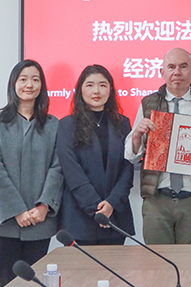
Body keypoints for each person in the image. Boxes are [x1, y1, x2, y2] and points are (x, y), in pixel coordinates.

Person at [0, 60, 63, 287]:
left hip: (39, 221)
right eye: (23, 79)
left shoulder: (53, 125)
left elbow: (58, 168)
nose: (29, 85)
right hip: (4, 223)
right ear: (13, 84)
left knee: (36, 282)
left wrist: (44, 206)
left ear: (42, 86)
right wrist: (16, 210)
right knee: (6, 282)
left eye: (35, 79)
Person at [124, 48, 191, 244]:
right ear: (162, 72)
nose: (177, 72)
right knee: (157, 260)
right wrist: (137, 136)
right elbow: (131, 156)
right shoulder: (148, 103)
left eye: (183, 66)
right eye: (171, 67)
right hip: (157, 199)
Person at [56, 64, 135, 245]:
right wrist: (96, 209)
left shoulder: (123, 123)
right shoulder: (67, 125)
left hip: (116, 216)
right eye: (90, 85)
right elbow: (72, 172)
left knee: (114, 264)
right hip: (80, 218)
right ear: (80, 90)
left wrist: (112, 203)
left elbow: (127, 169)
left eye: (102, 85)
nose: (96, 91)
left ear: (110, 90)